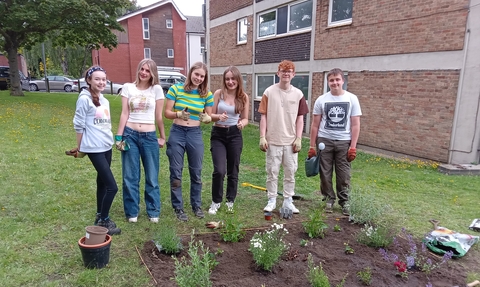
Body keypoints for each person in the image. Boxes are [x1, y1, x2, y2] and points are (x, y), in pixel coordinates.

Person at [72, 65, 121, 235]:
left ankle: (100, 215)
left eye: (103, 79)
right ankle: (104, 220)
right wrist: (80, 148)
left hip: (106, 146)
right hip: (94, 148)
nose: (101, 82)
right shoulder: (84, 99)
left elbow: (104, 124)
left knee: (102, 182)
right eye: (97, 79)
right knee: (112, 187)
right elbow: (78, 124)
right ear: (89, 81)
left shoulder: (104, 100)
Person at [116, 59, 166, 223]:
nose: (144, 73)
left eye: (148, 71)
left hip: (149, 137)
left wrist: (162, 136)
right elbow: (124, 113)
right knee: (130, 176)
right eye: (142, 69)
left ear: (153, 74)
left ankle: (153, 211)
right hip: (129, 135)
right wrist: (119, 137)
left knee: (152, 176)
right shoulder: (127, 87)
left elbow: (159, 116)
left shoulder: (156, 89)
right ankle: (132, 212)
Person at [308, 68, 362, 215]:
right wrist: (312, 146)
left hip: (344, 141)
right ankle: (328, 200)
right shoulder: (321, 100)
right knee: (325, 172)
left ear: (343, 81)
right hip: (324, 140)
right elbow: (315, 124)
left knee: (343, 174)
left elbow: (355, 124)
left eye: (337, 79)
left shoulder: (352, 99)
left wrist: (353, 147)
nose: (335, 83)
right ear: (328, 82)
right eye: (331, 80)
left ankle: (345, 202)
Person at [164, 62, 213, 221]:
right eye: (196, 74)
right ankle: (178, 207)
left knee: (196, 172)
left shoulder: (206, 94)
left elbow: (208, 117)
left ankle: (196, 205)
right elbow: (167, 112)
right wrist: (178, 114)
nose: (198, 78)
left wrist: (208, 118)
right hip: (177, 133)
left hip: (195, 133)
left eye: (202, 76)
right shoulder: (175, 89)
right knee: (176, 172)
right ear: (191, 72)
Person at [258, 60, 309, 214]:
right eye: (283, 71)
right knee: (272, 172)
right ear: (278, 73)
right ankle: (272, 199)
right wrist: (262, 136)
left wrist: (299, 138)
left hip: (291, 142)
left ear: (293, 75)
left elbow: (300, 118)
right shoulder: (268, 92)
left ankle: (288, 200)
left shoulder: (298, 94)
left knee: (290, 173)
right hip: (273, 140)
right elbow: (263, 116)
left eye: (289, 71)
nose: (286, 73)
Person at [207, 66, 249, 215]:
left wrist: (241, 124)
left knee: (233, 169)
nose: (230, 82)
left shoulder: (243, 97)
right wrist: (219, 117)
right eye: (227, 79)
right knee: (219, 170)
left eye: (233, 78)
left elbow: (245, 118)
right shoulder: (218, 94)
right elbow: (209, 115)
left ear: (238, 80)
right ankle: (216, 201)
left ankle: (230, 200)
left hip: (234, 134)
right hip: (218, 133)